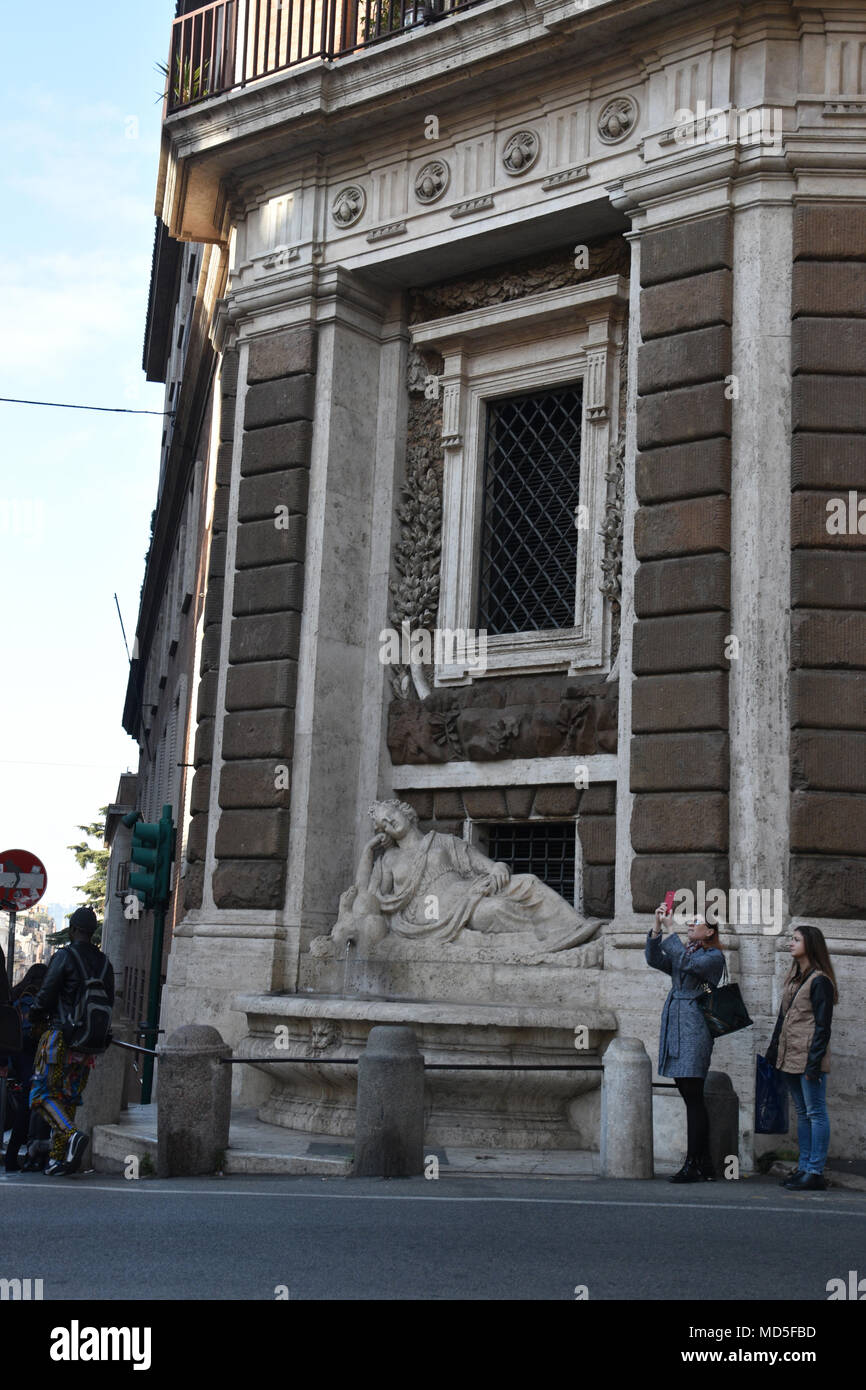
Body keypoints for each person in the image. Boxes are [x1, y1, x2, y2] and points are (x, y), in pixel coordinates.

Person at [29, 907, 115, 1177]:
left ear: (72, 929)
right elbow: (109, 1002)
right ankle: (58, 1159)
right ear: (92, 931)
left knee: (41, 1094)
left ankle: (71, 1134)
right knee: (67, 1098)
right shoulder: (105, 964)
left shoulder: (64, 957)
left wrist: (34, 1013)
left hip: (60, 1037)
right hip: (88, 1043)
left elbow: (46, 995)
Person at [646, 902, 726, 1182]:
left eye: (696, 923)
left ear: (709, 931)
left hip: (694, 1028)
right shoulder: (689, 952)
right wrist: (657, 929)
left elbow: (687, 965)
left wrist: (671, 933)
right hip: (678, 1023)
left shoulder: (713, 956)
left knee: (693, 1095)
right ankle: (704, 1164)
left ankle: (694, 1163)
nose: (690, 925)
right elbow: (656, 960)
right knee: (688, 1092)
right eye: (688, 922)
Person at [765, 924, 836, 1193]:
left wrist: (814, 1063)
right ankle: (805, 1167)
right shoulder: (795, 978)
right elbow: (783, 1019)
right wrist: (773, 1053)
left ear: (811, 945)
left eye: (796, 940)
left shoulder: (820, 981)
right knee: (803, 1113)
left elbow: (823, 1026)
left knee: (816, 1113)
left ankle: (815, 1170)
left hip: (808, 1058)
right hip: (789, 1055)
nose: (790, 943)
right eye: (791, 939)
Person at [1, 963, 48, 1172]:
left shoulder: (16, 995)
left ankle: (12, 1157)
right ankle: (33, 1155)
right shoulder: (43, 1000)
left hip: (16, 1058)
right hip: (36, 1060)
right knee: (32, 1108)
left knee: (24, 1107)